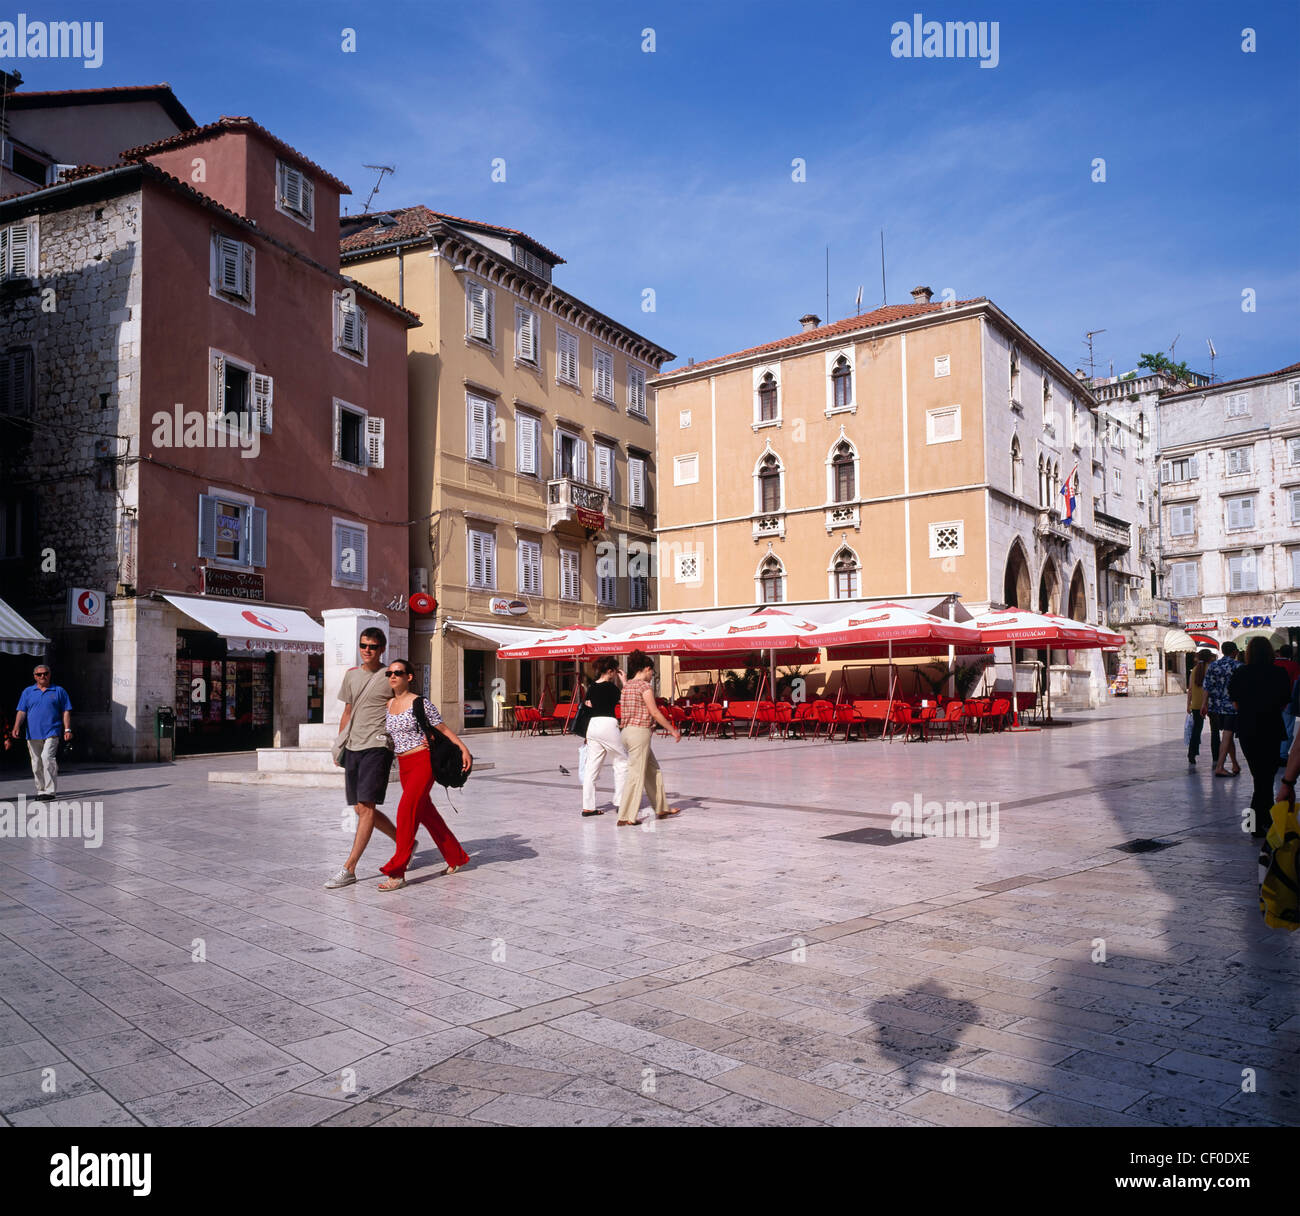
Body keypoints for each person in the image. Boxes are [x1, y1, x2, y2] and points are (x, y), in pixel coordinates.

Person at [376, 659, 472, 891]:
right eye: (390, 672)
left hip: (422, 762)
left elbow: (443, 729)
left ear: (409, 677)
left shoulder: (420, 703)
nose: (393, 676)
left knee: (406, 811)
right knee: (427, 814)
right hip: (404, 764)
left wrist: (463, 749)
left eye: (398, 672)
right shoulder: (388, 704)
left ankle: (397, 871)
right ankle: (456, 857)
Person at [324, 629, 399, 890]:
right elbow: (347, 711)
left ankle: (349, 868)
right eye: (363, 645)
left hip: (377, 746)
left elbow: (402, 706)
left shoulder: (390, 675)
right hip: (354, 746)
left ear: (382, 649)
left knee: (366, 807)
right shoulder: (351, 675)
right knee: (359, 809)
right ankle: (405, 843)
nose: (367, 650)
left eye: (373, 646)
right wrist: (339, 744)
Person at [1228, 637, 1290, 840]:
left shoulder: (1240, 673)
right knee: (1266, 777)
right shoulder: (1279, 672)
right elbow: (1284, 702)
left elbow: (1235, 703)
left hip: (1248, 729)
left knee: (1259, 778)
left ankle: (1258, 823)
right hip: (1271, 728)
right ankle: (1261, 821)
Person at [616, 650, 682, 827]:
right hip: (639, 733)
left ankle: (661, 807)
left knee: (652, 770)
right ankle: (626, 816)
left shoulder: (627, 686)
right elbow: (654, 711)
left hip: (627, 732)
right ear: (646, 669)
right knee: (636, 775)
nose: (652, 675)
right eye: (652, 672)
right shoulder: (644, 687)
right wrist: (672, 730)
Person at [12, 664, 73, 800]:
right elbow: (22, 711)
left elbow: (66, 711)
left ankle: (50, 791)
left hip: (52, 731)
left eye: (45, 673)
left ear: (49, 674)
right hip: (32, 734)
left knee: (47, 758)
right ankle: (41, 790)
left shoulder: (59, 691)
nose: (42, 676)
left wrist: (67, 729)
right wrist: (16, 726)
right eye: (39, 674)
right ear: (35, 676)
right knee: (36, 763)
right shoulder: (28, 692)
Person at [580, 656, 628, 817]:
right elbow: (627, 700)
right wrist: (625, 681)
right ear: (610, 671)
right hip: (608, 724)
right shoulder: (612, 688)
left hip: (593, 726)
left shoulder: (592, 687)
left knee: (592, 768)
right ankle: (621, 802)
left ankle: (588, 807)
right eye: (615, 671)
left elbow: (588, 705)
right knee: (621, 762)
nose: (615, 674)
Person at [1203, 641, 1243, 777]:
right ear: (1235, 652)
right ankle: (1220, 766)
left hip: (1216, 706)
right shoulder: (1238, 666)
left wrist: (1204, 704)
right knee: (1227, 734)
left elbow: (1207, 686)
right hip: (1232, 706)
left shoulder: (1213, 665)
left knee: (1227, 734)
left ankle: (1235, 764)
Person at [1186, 649, 1211, 766]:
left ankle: (1192, 753)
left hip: (1196, 704)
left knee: (1196, 730)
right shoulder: (1210, 669)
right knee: (1215, 731)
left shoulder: (1195, 670)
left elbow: (1190, 689)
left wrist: (1188, 704)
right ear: (1210, 658)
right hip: (1210, 703)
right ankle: (1216, 755)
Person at [1276, 644, 1299, 763]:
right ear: (1291, 654)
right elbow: (1296, 684)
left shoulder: (1271, 664)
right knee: (1288, 728)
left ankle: (1273, 753)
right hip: (1288, 701)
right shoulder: (1294, 666)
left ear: (1279, 653)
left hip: (1272, 702)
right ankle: (1283, 754)